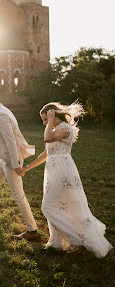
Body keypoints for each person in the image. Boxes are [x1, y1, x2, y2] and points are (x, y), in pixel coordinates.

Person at [22, 101, 113, 257]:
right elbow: (46, 153)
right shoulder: (56, 129)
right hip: (53, 170)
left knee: (48, 206)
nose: (44, 123)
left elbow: (47, 138)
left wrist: (50, 121)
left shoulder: (64, 129)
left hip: (63, 171)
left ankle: (78, 236)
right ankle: (61, 243)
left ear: (54, 115)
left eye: (45, 119)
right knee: (60, 205)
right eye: (44, 120)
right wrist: (27, 168)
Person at [0, 90, 39, 240]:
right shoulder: (1, 111)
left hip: (11, 160)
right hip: (5, 159)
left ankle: (32, 230)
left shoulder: (2, 114)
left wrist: (16, 164)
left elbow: (10, 140)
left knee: (18, 195)